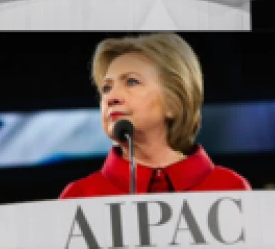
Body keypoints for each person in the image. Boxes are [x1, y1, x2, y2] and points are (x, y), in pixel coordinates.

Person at [60, 33, 250, 198]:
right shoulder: (79, 196)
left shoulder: (230, 188)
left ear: (174, 102)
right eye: (106, 87)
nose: (111, 97)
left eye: (132, 82)